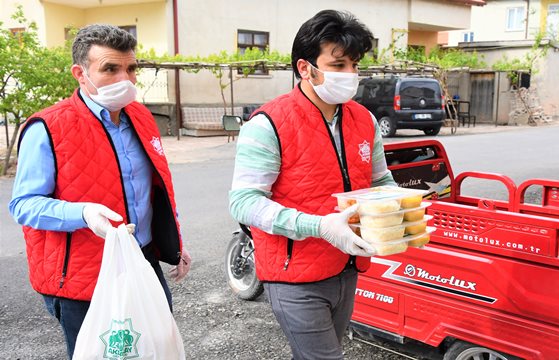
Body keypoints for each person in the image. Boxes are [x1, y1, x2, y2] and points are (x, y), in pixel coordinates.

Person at [8, 24, 191, 359]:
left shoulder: (141, 117)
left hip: (142, 260)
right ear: (80, 73)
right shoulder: (49, 126)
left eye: (131, 68)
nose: (126, 78)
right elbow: (23, 205)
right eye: (110, 68)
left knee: (155, 348)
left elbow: (156, 188)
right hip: (84, 276)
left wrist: (174, 241)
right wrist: (82, 213)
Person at [229, 10, 396, 359]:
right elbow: (244, 202)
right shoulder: (269, 123)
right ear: (305, 68)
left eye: (354, 64)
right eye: (338, 65)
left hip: (346, 265)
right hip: (294, 275)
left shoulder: (363, 119)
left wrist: (401, 208)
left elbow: (381, 181)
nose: (350, 74)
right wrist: (318, 225)